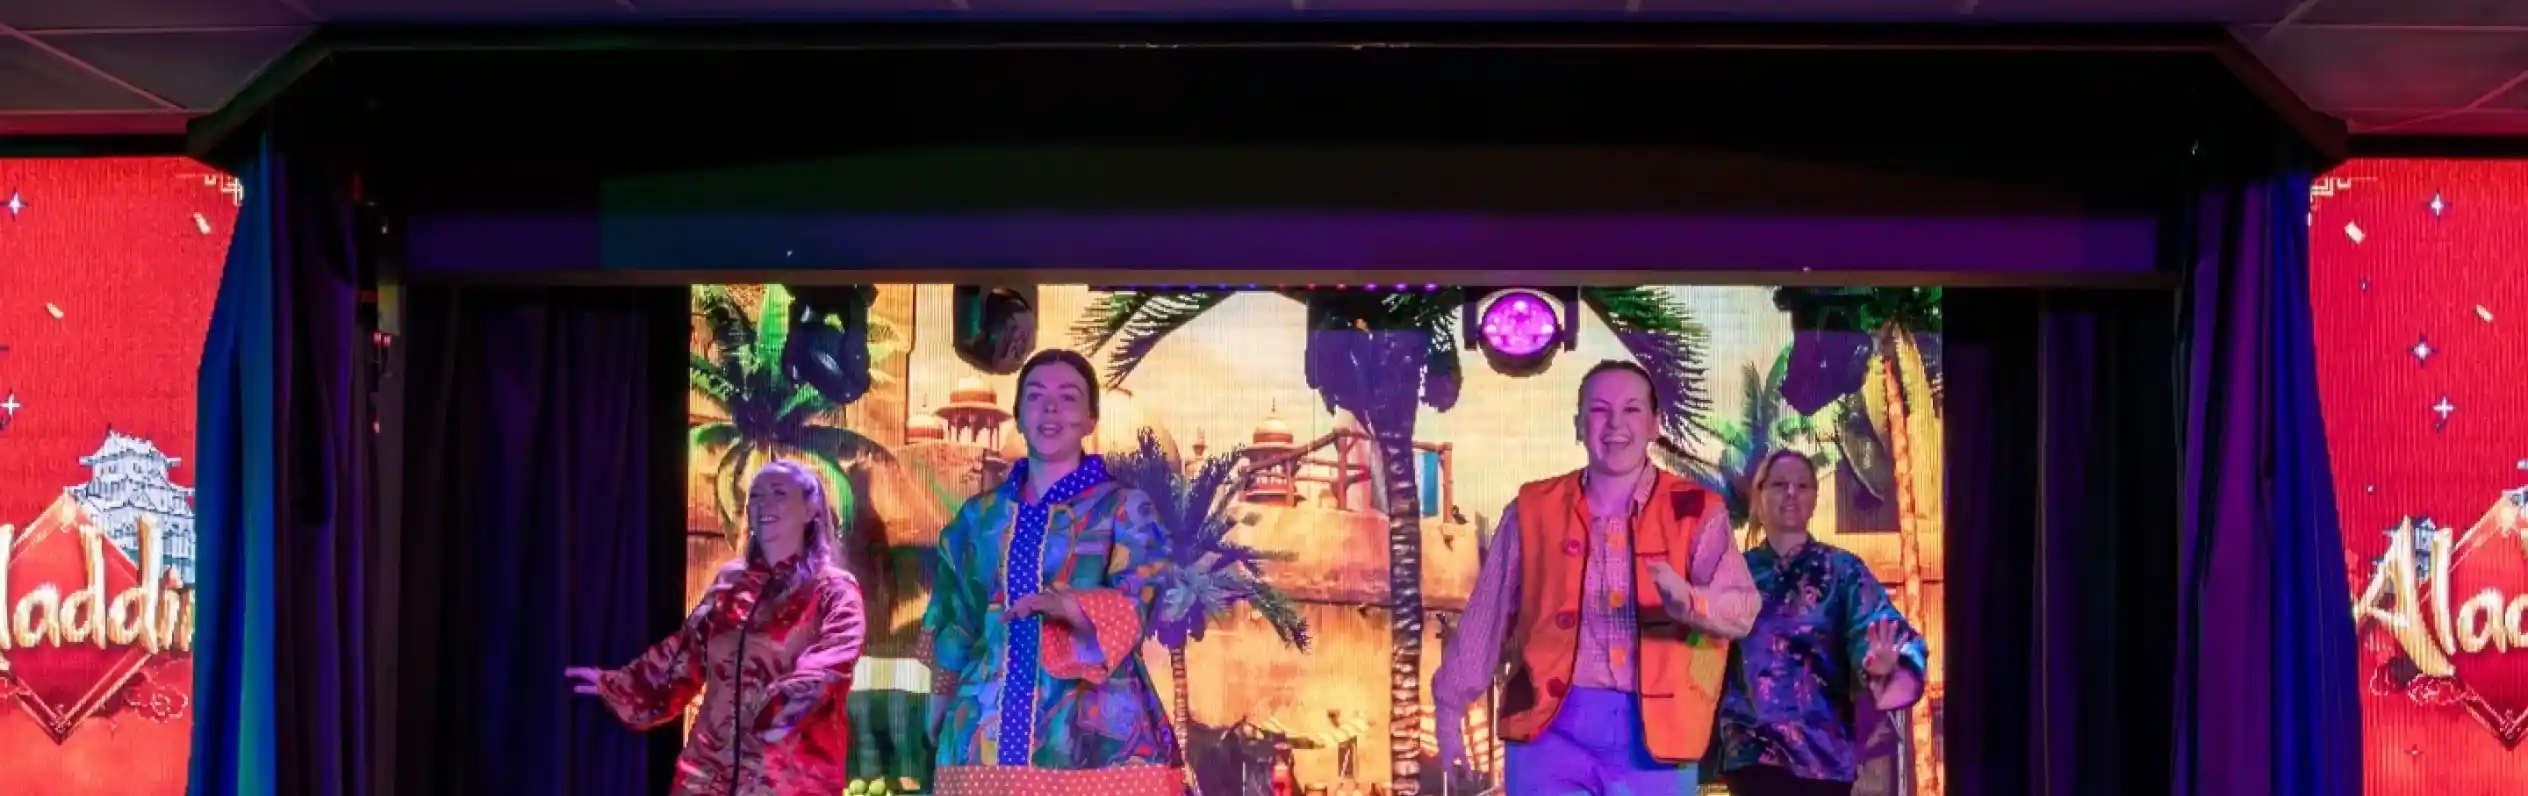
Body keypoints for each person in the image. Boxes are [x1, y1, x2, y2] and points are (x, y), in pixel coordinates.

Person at [1433, 359, 1761, 795]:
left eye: (1631, 410)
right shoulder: (1532, 509)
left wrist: (1690, 603)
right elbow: (1486, 618)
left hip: (1659, 738)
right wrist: (1448, 710)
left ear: (1654, 425)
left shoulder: (1697, 510)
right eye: (1599, 410)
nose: (1615, 425)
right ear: (1578, 425)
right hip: (1547, 734)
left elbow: (1742, 610)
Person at [920, 349, 1183, 796]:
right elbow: (954, 616)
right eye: (1036, 396)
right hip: (983, 731)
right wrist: (940, 703)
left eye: (1069, 397)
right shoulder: (979, 517)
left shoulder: (1123, 507)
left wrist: (1077, 608)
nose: (1051, 408)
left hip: (1095, 738)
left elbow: (1142, 595)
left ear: (1090, 420)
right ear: (1019, 416)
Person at [565, 460, 868, 795]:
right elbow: (685, 655)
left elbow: (832, 663)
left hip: (787, 779)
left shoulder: (833, 589)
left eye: (779, 494)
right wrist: (620, 685)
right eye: (755, 496)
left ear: (811, 509)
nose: (764, 504)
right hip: (706, 774)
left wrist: (777, 709)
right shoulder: (732, 582)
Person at [1713, 448, 1930, 796]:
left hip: (1823, 757)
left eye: (1802, 486)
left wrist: (1885, 668)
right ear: (1759, 495)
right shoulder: (1733, 572)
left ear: (1814, 498)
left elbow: (1883, 629)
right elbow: (1699, 646)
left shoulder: (1842, 570)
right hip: (1752, 754)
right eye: (1779, 484)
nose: (1791, 493)